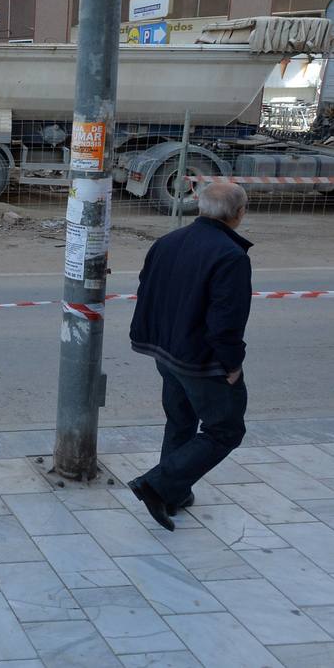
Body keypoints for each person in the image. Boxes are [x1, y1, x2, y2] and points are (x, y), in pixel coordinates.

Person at [128, 181, 252, 532]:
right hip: (200, 360)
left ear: (199, 206)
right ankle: (156, 485)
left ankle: (174, 493)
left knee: (181, 421)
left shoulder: (167, 242)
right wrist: (232, 365)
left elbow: (146, 289)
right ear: (240, 214)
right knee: (225, 429)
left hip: (165, 351)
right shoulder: (231, 256)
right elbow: (226, 323)